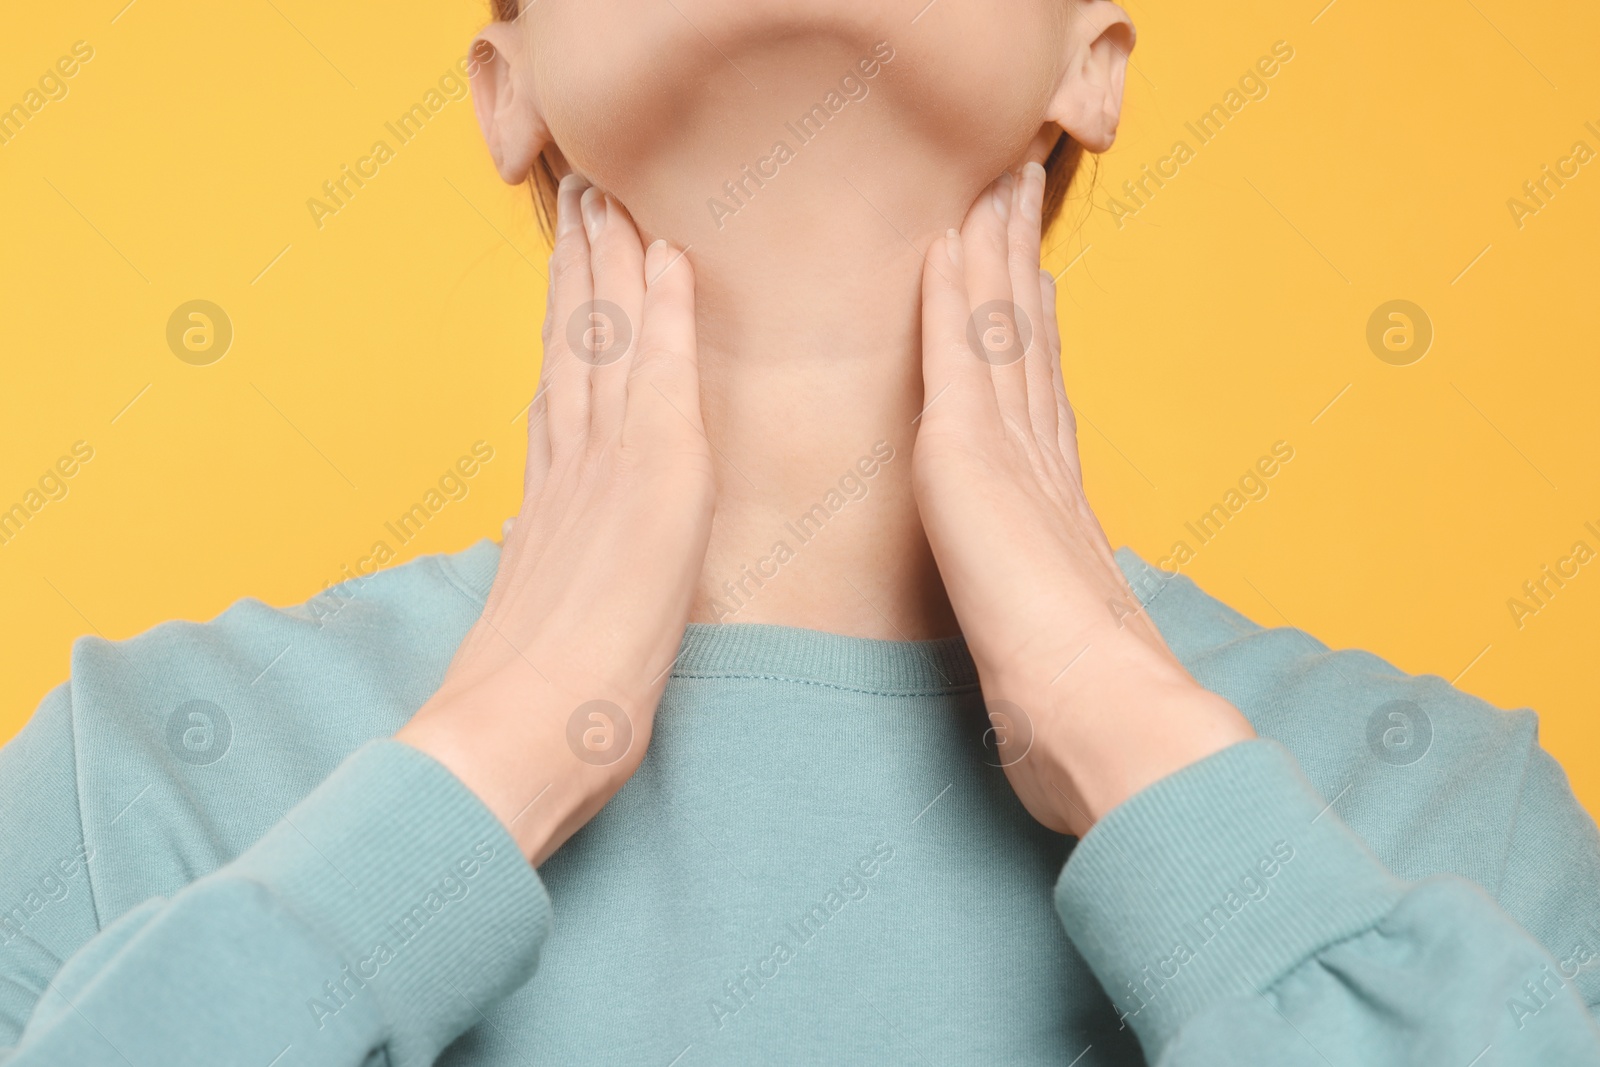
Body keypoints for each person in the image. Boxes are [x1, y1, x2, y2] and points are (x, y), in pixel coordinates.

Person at [3, 1, 1598, 1063]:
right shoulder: (125, 782)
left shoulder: (1454, 826)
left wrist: (1125, 736)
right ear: (510, 84)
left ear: (1091, 57)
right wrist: (502, 749)